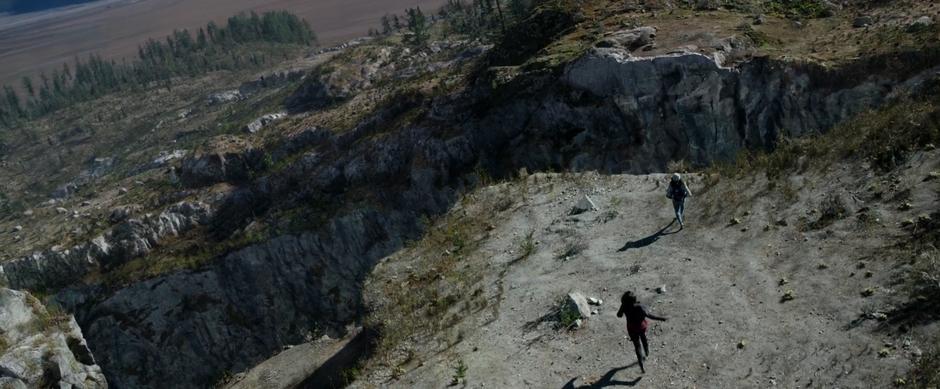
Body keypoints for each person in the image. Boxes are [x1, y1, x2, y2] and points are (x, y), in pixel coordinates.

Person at [616, 291, 667, 373]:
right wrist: (662, 318)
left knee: (637, 346)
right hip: (641, 327)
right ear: (634, 300)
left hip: (631, 329)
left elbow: (619, 315)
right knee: (644, 338)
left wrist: (623, 306)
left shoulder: (624, 307)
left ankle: (641, 364)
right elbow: (650, 315)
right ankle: (646, 351)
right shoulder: (640, 307)